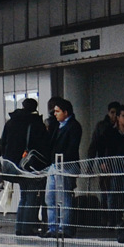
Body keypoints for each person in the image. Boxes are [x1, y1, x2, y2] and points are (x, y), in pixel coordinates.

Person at [2, 97, 48, 235]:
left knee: (23, 196)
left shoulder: (11, 122)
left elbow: (3, 143)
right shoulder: (35, 123)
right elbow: (42, 144)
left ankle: (19, 227)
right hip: (29, 165)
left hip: (13, 165)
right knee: (31, 195)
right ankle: (27, 228)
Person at [42, 98, 82, 237]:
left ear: (66, 112)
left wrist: (63, 159)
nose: (55, 114)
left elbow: (72, 147)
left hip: (66, 165)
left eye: (58, 111)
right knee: (50, 197)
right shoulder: (57, 126)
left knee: (64, 197)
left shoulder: (74, 126)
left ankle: (65, 227)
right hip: (54, 165)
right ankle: (52, 227)